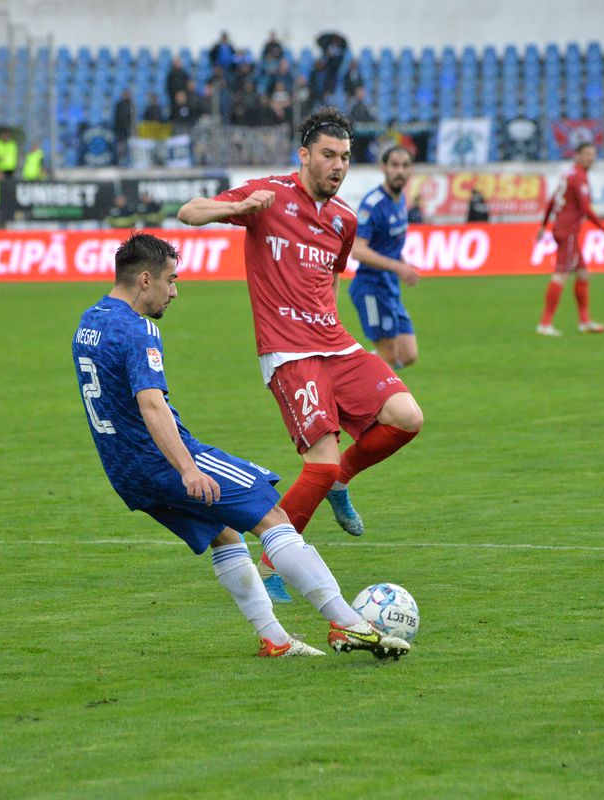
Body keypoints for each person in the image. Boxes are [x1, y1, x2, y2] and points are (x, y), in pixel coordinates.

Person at [72, 232, 411, 659]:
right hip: (164, 458)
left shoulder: (89, 321)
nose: (174, 292)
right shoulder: (139, 329)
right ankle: (350, 624)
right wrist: (188, 469)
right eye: (170, 280)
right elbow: (151, 405)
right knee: (273, 516)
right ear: (144, 280)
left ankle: (277, 640)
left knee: (224, 531)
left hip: (124, 470)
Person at [177, 108, 425, 599]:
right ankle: (273, 561)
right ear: (305, 156)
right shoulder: (267, 194)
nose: (338, 165)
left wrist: (330, 321)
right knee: (321, 464)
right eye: (329, 155)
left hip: (335, 344)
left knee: (407, 416)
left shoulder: (344, 218)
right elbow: (189, 212)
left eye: (345, 157)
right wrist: (240, 208)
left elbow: (331, 278)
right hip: (289, 352)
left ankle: (341, 483)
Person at [349, 145, 421, 370]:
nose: (400, 171)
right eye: (395, 165)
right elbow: (358, 250)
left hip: (390, 287)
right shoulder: (373, 204)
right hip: (371, 288)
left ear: (411, 170)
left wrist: (403, 263)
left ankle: (355, 373)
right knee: (389, 356)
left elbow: (390, 243)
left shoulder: (400, 200)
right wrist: (397, 267)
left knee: (408, 354)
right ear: (383, 168)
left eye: (405, 166)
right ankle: (353, 381)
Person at [535, 142, 604, 336]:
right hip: (568, 231)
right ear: (577, 156)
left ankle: (585, 322)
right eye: (587, 154)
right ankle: (545, 324)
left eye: (593, 154)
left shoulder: (568, 174)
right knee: (561, 274)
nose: (591, 158)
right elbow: (586, 209)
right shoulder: (579, 176)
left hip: (562, 228)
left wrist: (543, 225)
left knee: (583, 274)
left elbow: (552, 200)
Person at [113, 89, 134, 165]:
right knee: (120, 146)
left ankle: (128, 161)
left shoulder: (131, 104)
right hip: (120, 129)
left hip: (128, 129)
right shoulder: (119, 104)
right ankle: (121, 161)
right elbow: (117, 117)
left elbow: (132, 118)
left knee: (129, 145)